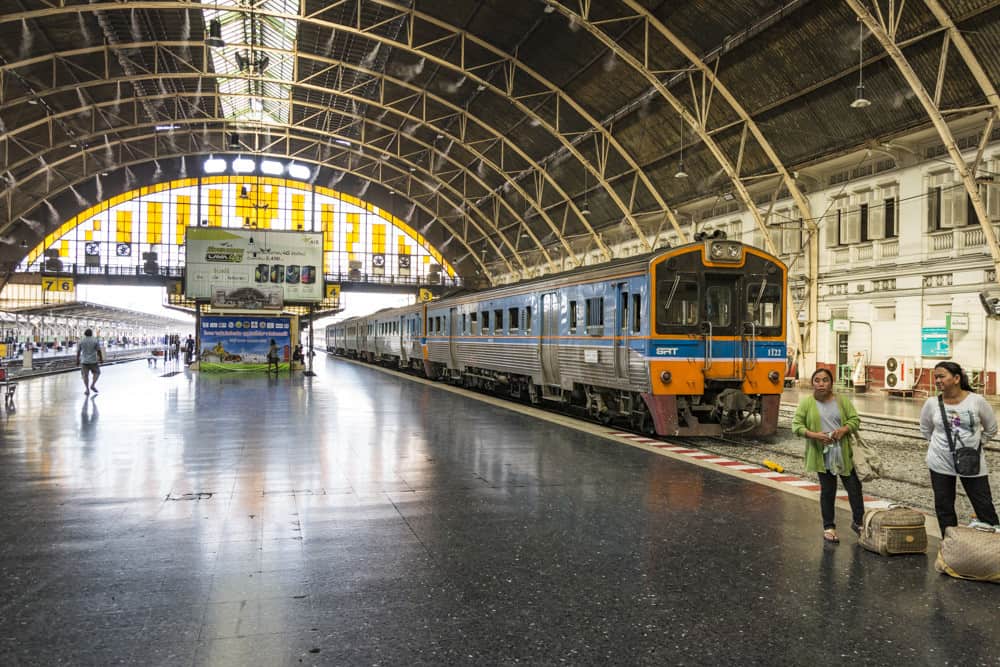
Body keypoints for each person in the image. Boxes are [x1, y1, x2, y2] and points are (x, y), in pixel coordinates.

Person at [919, 361, 999, 534]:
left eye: (942, 376)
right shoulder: (932, 403)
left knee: (984, 506)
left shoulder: (976, 401)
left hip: (972, 462)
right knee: (944, 507)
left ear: (956, 378)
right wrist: (940, 446)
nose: (937, 380)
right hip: (940, 463)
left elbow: (992, 428)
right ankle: (950, 546)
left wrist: (977, 445)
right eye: (936, 377)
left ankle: (993, 548)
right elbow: (925, 429)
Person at [792, 368, 865, 543]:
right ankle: (829, 527)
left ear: (831, 383)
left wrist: (844, 429)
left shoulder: (842, 401)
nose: (821, 383)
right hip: (822, 455)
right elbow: (796, 426)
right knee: (828, 491)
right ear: (813, 383)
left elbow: (855, 420)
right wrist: (814, 435)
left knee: (854, 488)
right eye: (817, 380)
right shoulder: (807, 403)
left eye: (825, 380)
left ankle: (858, 522)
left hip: (844, 453)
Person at [76, 328, 104, 395]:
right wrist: (101, 358)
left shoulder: (81, 341)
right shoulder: (95, 340)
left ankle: (87, 389)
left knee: (85, 376)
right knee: (97, 372)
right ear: (91, 333)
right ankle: (93, 385)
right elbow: (99, 351)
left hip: (84, 361)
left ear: (85, 334)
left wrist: (77, 360)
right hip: (93, 361)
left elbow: (78, 352)